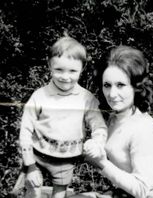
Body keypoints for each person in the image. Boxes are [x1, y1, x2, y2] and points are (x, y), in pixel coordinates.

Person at [19, 36, 107, 198]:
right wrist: (29, 164)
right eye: (59, 70)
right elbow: (25, 129)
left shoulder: (86, 98)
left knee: (59, 194)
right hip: (36, 155)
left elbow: (99, 126)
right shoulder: (40, 95)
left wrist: (97, 142)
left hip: (66, 160)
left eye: (72, 71)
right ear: (49, 66)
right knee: (32, 191)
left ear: (82, 68)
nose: (65, 77)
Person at [84, 45, 153, 198]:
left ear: (136, 87)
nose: (112, 94)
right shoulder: (114, 118)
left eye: (121, 85)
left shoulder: (144, 128)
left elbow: (142, 189)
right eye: (107, 85)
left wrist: (101, 163)